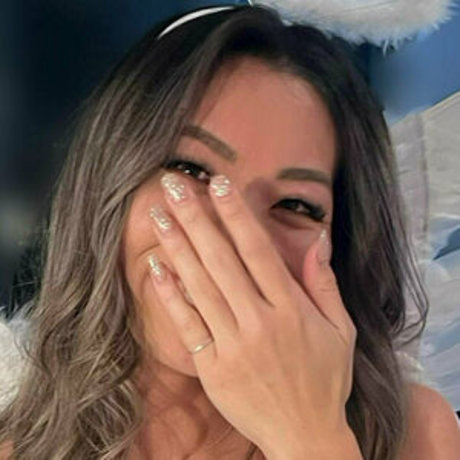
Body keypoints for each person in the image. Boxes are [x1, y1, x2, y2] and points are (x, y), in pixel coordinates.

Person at [1, 3, 459, 459]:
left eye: (295, 205)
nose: (233, 243)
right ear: (108, 185)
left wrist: (309, 436)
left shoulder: (416, 436)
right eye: (190, 169)